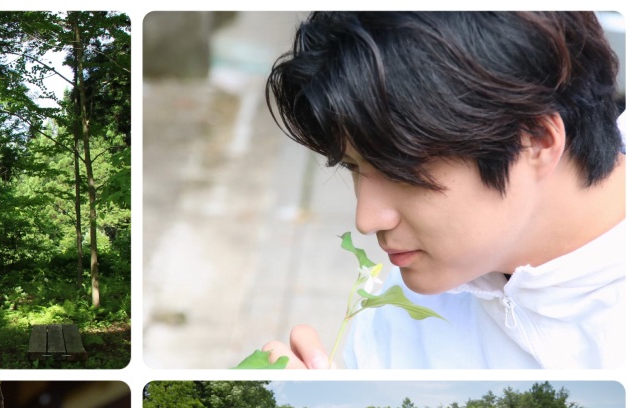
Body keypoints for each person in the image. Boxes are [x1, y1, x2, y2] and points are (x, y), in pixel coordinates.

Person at [260, 11, 625, 369]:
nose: (366, 220)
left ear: (536, 142)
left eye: (401, 171)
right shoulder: (407, 308)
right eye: (353, 166)